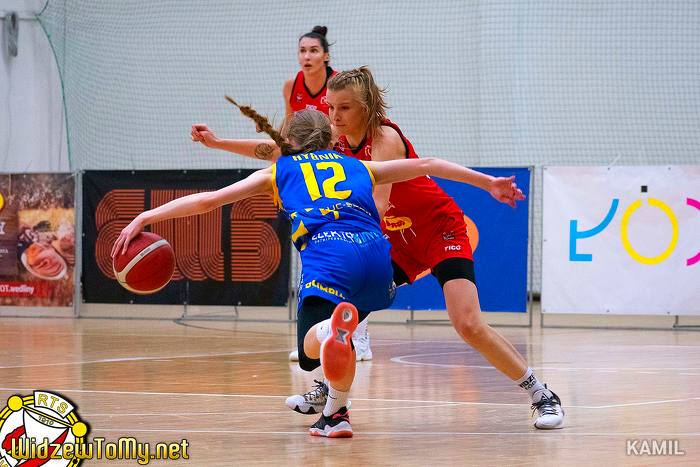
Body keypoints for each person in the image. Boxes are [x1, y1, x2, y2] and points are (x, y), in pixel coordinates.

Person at [191, 66, 566, 430]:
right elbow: (279, 150)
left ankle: (541, 394)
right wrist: (218, 143)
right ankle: (332, 392)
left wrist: (487, 183)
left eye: (344, 108)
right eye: (330, 107)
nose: (334, 116)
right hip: (394, 241)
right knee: (341, 316)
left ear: (366, 107)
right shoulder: (335, 141)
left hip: (436, 230)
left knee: (467, 323)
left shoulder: (384, 138)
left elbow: (379, 205)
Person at [116, 104, 525, 437]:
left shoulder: (278, 171)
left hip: (332, 258)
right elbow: (429, 163)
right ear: (330, 140)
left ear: (288, 143)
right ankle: (335, 413)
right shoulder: (359, 165)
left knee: (311, 349)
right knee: (344, 334)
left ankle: (330, 336)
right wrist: (487, 182)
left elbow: (208, 201)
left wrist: (145, 216)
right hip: (378, 260)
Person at [192, 27, 373, 363]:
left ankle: (358, 337)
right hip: (312, 176)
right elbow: (287, 143)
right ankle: (320, 333)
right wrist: (220, 143)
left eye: (313, 50)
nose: (307, 56)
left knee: (353, 252)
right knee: (317, 252)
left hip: (345, 171)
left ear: (326, 56)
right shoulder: (292, 87)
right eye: (302, 50)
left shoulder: (338, 89)